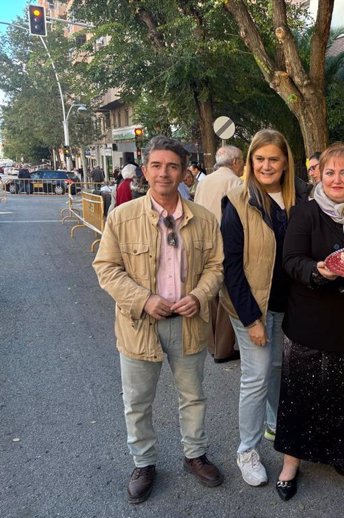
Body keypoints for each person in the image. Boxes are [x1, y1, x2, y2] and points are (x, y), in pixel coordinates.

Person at [92, 135, 225, 505]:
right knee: (137, 401)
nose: (164, 172)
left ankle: (195, 455)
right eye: (156, 165)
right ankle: (144, 463)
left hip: (189, 323)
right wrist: (144, 299)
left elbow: (216, 266)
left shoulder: (204, 219)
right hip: (139, 325)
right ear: (145, 170)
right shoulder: (122, 217)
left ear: (184, 171)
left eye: (172, 166)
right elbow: (106, 268)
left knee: (193, 396)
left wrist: (198, 296)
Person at [274, 142, 344, 501]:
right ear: (319, 174)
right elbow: (290, 260)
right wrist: (318, 271)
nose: (337, 179)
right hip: (310, 317)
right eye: (329, 172)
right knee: (301, 393)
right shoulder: (307, 212)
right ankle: (291, 463)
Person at [221, 129, 308, 488]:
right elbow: (230, 266)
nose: (267, 165)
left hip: (289, 305)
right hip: (249, 305)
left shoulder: (302, 197)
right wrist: (251, 319)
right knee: (256, 377)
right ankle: (247, 450)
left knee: (276, 368)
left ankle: (275, 423)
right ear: (250, 163)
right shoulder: (237, 200)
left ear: (285, 161)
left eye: (274, 158)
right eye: (260, 159)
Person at [195, 146, 244, 362]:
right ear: (234, 162)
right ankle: (224, 349)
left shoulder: (205, 181)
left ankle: (213, 345)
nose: (243, 165)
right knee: (227, 297)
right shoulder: (235, 182)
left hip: (203, 244)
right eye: (242, 160)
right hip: (225, 244)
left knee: (211, 296)